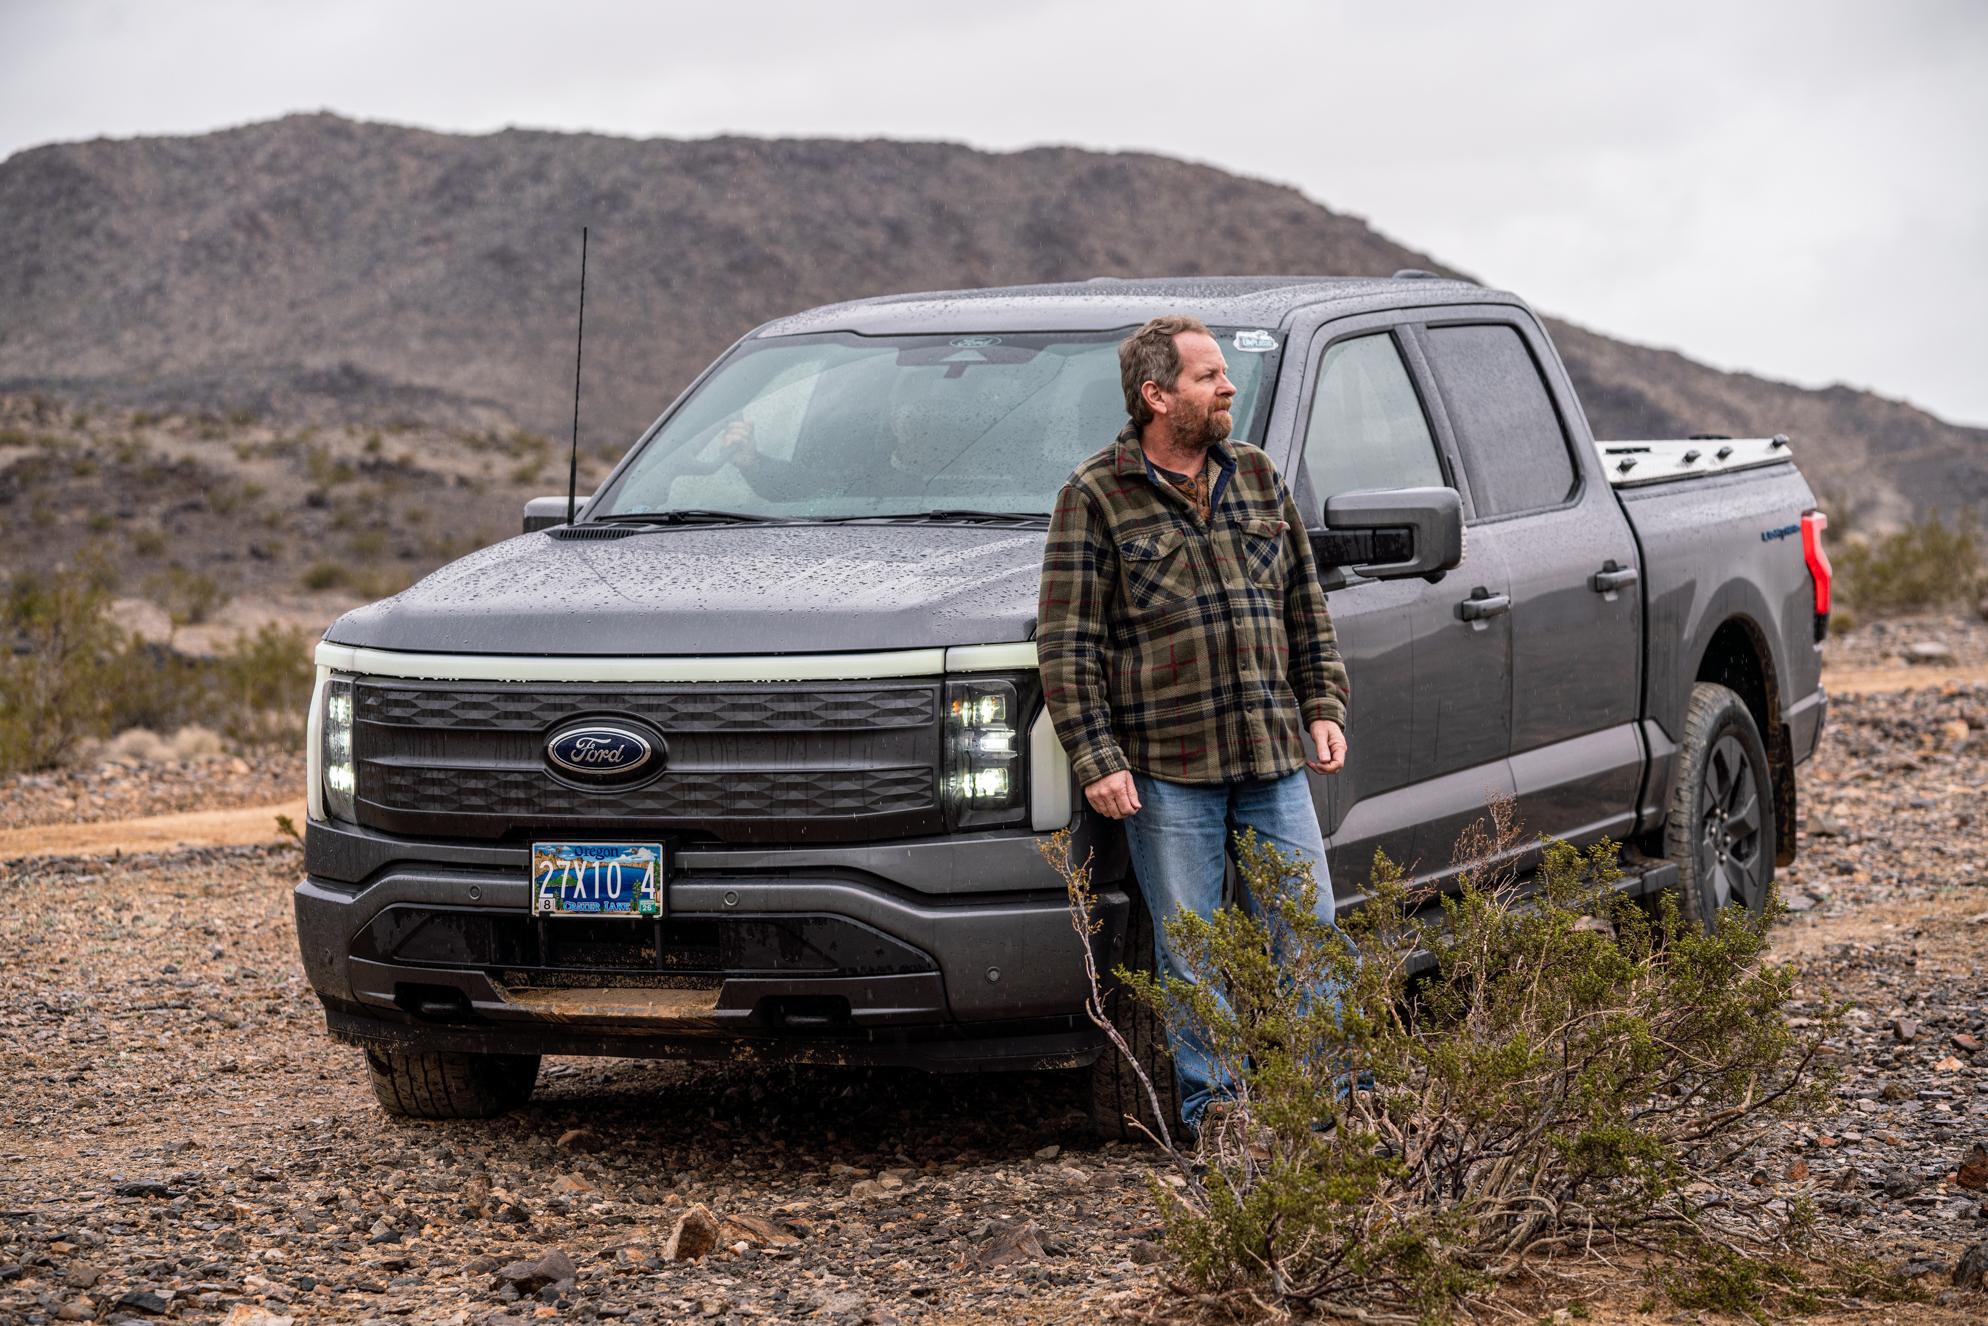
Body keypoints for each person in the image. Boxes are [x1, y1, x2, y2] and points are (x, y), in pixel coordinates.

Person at [1036, 314, 1350, 1132]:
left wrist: (1322, 703)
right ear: (1155, 394)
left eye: (1223, 375)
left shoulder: (1255, 474)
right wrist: (1098, 759)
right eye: (1210, 376)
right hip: (1168, 769)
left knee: (1309, 930)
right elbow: (1069, 645)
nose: (1228, 388)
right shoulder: (1094, 494)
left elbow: (1303, 605)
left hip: (1272, 754)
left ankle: (1341, 1101)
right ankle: (1220, 1113)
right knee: (1193, 947)